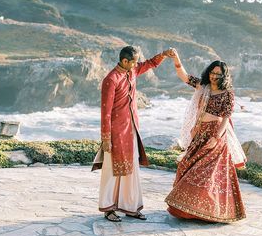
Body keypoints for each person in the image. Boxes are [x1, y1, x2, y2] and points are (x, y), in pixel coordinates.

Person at [92, 45, 175, 222]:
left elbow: (149, 64)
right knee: (112, 171)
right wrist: (106, 138)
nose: (137, 65)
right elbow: (105, 112)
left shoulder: (131, 72)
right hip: (115, 133)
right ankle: (109, 209)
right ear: (124, 61)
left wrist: (164, 55)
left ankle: (130, 207)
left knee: (132, 171)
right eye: (134, 62)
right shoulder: (111, 79)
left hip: (131, 131)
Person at [165, 50, 247, 223]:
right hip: (200, 134)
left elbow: (226, 117)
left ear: (224, 76)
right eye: (212, 72)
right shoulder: (203, 87)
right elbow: (184, 76)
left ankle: (208, 211)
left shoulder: (228, 93)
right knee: (186, 166)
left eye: (218, 74)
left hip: (215, 137)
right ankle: (187, 210)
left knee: (204, 175)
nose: (214, 76)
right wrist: (177, 58)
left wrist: (216, 138)